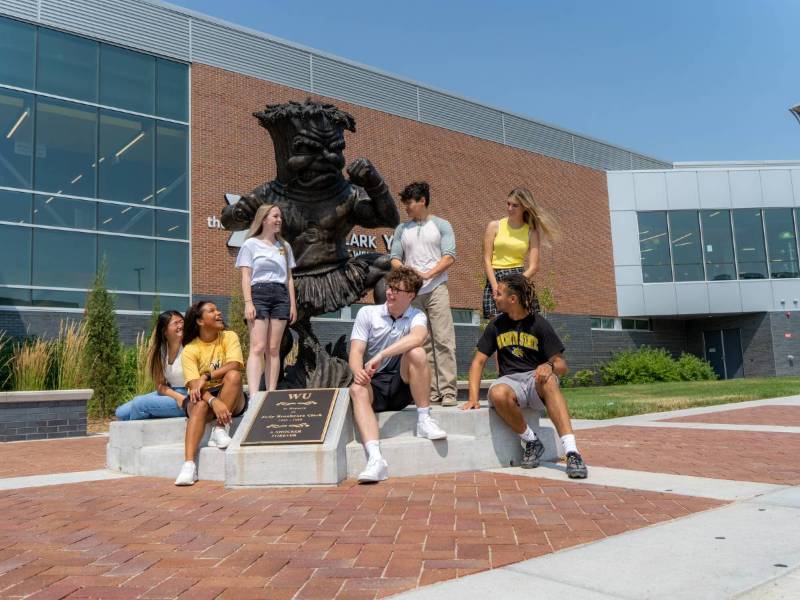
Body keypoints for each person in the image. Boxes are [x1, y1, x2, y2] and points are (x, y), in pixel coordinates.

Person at [461, 275, 588, 479]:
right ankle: (530, 441)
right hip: (510, 381)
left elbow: (561, 365)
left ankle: (572, 452)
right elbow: (478, 362)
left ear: (513, 299)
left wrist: (549, 366)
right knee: (497, 392)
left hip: (534, 380)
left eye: (499, 293)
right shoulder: (496, 325)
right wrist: (473, 399)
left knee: (549, 381)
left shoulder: (539, 324)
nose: (495, 297)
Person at [349, 266, 447, 483]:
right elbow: (356, 351)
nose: (390, 293)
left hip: (401, 384)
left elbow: (418, 337)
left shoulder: (417, 315)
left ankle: (424, 420)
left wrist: (382, 354)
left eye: (397, 290)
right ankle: (376, 460)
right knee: (356, 389)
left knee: (417, 353)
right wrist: (358, 373)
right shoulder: (367, 313)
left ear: (411, 295)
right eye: (390, 288)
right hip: (374, 387)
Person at [390, 181, 459, 407]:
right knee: (421, 343)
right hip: (413, 294)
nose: (407, 207)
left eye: (410, 202)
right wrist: (410, 274)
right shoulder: (402, 229)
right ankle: (429, 392)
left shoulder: (442, 225)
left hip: (437, 289)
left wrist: (428, 274)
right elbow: (394, 258)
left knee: (444, 341)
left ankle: (448, 391)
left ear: (422, 201)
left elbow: (449, 256)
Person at [175, 301, 247, 486]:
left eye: (218, 309)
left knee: (233, 376)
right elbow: (193, 385)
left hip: (231, 393)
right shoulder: (190, 349)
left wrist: (206, 376)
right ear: (199, 321)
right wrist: (214, 401)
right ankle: (189, 465)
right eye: (212, 311)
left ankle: (220, 429)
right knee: (198, 405)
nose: (218, 313)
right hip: (204, 397)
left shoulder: (229, 336)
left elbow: (235, 364)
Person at [235, 203, 297, 394]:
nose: (279, 220)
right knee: (258, 347)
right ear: (263, 219)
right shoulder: (250, 245)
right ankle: (254, 395)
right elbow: (246, 276)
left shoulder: (284, 247)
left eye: (280, 217)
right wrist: (248, 303)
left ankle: (271, 392)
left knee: (273, 348)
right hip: (259, 293)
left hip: (280, 296)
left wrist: (292, 304)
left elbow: (288, 278)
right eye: (275, 216)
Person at [482, 187, 561, 320]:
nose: (510, 208)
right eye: (508, 204)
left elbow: (534, 267)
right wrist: (496, 286)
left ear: (524, 207)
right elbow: (486, 260)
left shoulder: (531, 232)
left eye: (515, 205)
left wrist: (515, 284)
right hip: (496, 277)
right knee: (497, 328)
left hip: (519, 278)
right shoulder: (494, 226)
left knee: (524, 328)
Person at [115, 311, 187, 421]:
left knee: (139, 404)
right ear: (165, 331)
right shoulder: (160, 351)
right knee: (121, 412)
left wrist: (183, 399)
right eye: (176, 323)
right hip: (172, 392)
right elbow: (160, 386)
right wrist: (177, 397)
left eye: (182, 322)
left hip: (187, 395)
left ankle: (136, 435)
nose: (180, 325)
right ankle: (156, 411)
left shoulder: (190, 347)